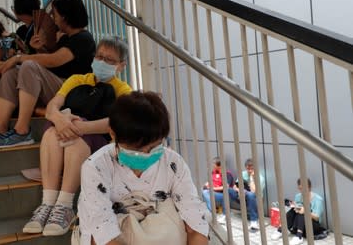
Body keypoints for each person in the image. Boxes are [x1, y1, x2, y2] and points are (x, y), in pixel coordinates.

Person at [22, 37, 132, 236]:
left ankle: (64, 206)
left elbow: (117, 121)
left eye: (110, 60)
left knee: (74, 141)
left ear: (121, 66)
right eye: (100, 57)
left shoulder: (123, 90)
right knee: (49, 133)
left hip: (94, 140)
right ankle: (47, 204)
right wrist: (61, 121)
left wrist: (80, 128)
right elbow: (51, 108)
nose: (102, 62)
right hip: (65, 131)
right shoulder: (76, 80)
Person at [76, 92, 209, 245]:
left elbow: (195, 220)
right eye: (136, 150)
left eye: (153, 147)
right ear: (113, 133)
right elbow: (102, 229)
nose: (146, 154)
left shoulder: (173, 163)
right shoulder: (96, 166)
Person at [0, 0, 96, 148]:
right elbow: (51, 63)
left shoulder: (83, 38)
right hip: (58, 86)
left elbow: (55, 60)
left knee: (28, 65)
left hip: (70, 91)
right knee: (12, 71)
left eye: (55, 14)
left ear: (64, 16)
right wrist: (39, 49)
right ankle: (0, 129)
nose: (53, 18)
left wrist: (19, 57)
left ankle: (22, 131)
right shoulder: (65, 38)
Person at [271, 178, 325, 245]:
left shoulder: (318, 199)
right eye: (300, 189)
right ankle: (281, 230)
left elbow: (317, 217)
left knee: (303, 211)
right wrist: (295, 208)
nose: (302, 191)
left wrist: (306, 212)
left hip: (313, 225)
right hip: (300, 223)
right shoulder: (298, 196)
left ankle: (299, 236)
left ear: (309, 188)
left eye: (304, 189)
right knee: (293, 210)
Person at [229, 158, 265, 230]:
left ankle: (254, 221)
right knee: (228, 190)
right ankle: (225, 213)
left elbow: (253, 191)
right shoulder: (243, 174)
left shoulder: (260, 178)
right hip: (242, 195)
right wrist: (240, 190)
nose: (250, 170)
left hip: (255, 198)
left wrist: (252, 177)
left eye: (252, 168)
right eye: (248, 168)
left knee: (250, 195)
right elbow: (235, 186)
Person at [202, 156, 235, 224]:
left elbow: (225, 187)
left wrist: (212, 188)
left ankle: (212, 212)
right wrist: (206, 184)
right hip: (213, 193)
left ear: (219, 165)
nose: (213, 165)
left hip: (223, 195)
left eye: (214, 164)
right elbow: (210, 182)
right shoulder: (213, 172)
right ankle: (211, 212)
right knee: (204, 191)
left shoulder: (227, 174)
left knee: (206, 192)